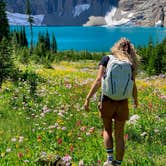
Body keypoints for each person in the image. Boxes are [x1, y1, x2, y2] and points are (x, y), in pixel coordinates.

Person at [84, 38, 139, 166]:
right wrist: (135, 99)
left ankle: (109, 160)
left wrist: (88, 98)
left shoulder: (107, 59)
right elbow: (133, 85)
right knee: (119, 135)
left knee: (107, 130)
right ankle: (118, 163)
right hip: (123, 102)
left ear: (116, 47)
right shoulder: (130, 63)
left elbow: (98, 80)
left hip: (107, 100)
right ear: (131, 50)